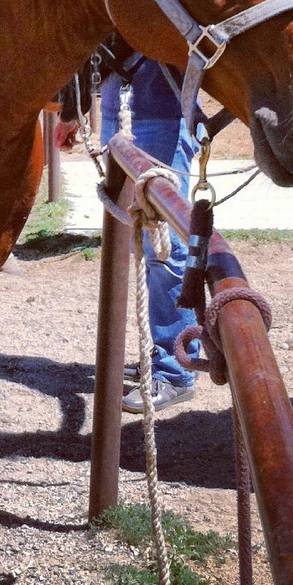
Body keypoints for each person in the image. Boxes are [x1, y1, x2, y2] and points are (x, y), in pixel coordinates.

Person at [98, 58, 200, 413]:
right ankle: (162, 354)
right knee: (138, 240)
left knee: (163, 249)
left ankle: (175, 371)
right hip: (117, 108)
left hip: (163, 114)